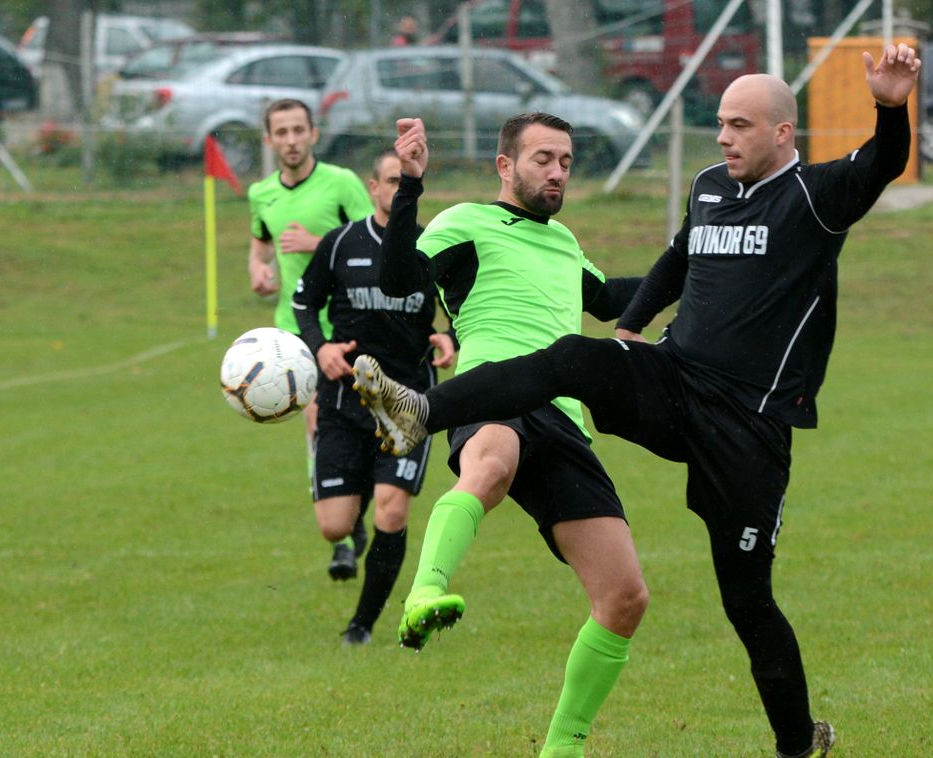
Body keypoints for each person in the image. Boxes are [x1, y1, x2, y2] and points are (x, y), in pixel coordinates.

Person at [353, 47, 922, 758]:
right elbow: (681, 258)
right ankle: (418, 413)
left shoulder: (816, 194)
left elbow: (880, 162)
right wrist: (630, 326)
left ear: (782, 133)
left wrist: (890, 105)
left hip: (747, 425)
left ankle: (795, 742)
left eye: (739, 125)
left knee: (745, 599)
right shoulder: (711, 185)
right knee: (567, 362)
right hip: (674, 380)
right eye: (720, 123)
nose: (722, 137)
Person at [366, 112, 648, 757]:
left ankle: (563, 748)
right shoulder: (466, 221)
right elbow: (399, 280)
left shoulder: (566, 241)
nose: (556, 173)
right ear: (505, 165)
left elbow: (612, 302)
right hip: (491, 390)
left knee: (625, 596)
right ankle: (424, 592)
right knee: (490, 465)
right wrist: (410, 186)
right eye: (543, 159)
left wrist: (702, 263)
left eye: (566, 163)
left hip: (564, 416)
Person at [292, 150, 456, 644]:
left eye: (405, 183)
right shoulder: (340, 244)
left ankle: (361, 626)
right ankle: (353, 522)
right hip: (344, 401)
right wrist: (320, 350)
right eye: (390, 181)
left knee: (393, 509)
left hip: (409, 402)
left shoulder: (433, 246)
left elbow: (465, 307)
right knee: (334, 526)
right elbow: (304, 304)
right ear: (373, 187)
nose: (396, 190)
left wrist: (453, 337)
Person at [247, 98, 375, 579]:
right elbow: (260, 248)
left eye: (299, 130)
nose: (291, 140)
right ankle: (342, 538)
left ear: (314, 134)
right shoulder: (262, 193)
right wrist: (261, 273)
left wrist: (316, 243)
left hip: (348, 323)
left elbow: (372, 238)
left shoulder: (341, 183)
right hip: (295, 329)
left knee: (358, 425)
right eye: (281, 132)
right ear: (269, 140)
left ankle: (352, 510)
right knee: (314, 422)